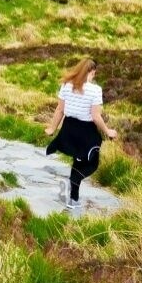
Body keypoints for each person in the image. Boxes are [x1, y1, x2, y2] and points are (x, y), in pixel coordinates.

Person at [45, 57, 117, 211]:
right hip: (86, 132)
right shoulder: (95, 90)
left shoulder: (66, 85)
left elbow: (59, 110)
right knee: (92, 163)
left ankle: (73, 199)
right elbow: (96, 116)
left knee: (78, 161)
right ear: (91, 72)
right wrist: (108, 131)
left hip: (69, 129)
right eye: (94, 74)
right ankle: (73, 181)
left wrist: (52, 129)